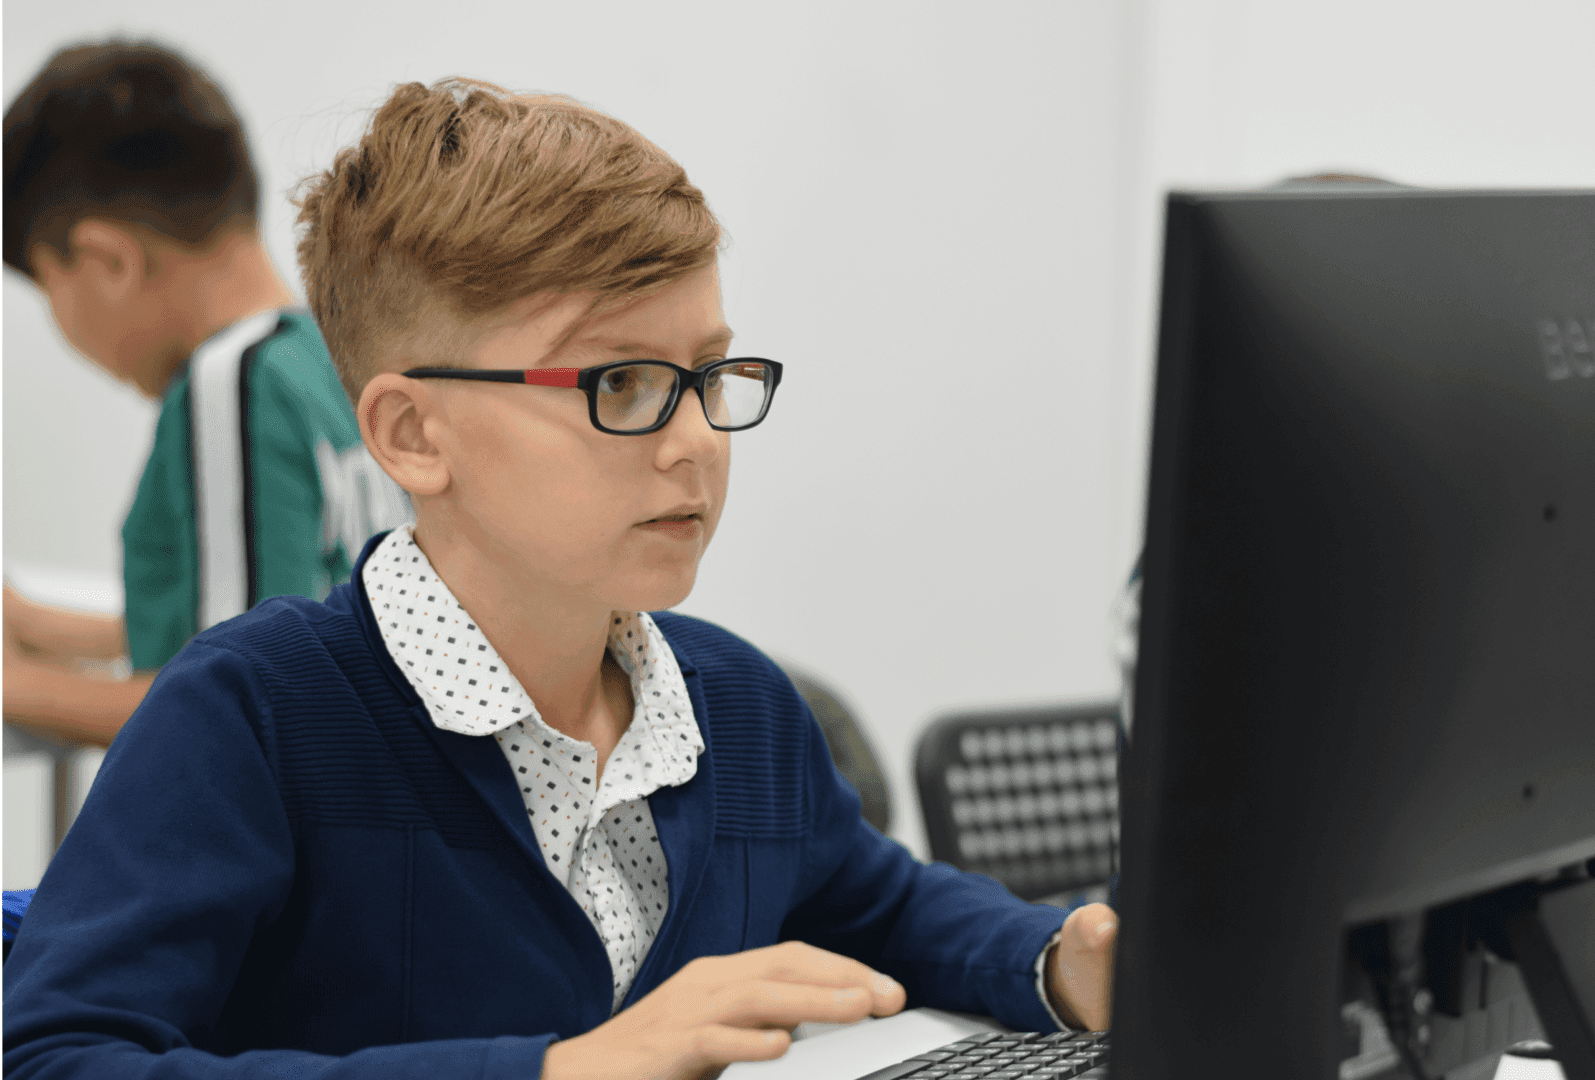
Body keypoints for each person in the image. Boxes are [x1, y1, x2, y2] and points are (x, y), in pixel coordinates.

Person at [2, 77, 1120, 1078]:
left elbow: (885, 905)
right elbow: (58, 1056)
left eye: (708, 373)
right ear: (413, 435)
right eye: (621, 384)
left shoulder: (740, 706)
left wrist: (1059, 958)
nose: (698, 441)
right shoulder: (252, 715)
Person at [2, 41, 407, 747]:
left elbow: (237, 705)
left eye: (50, 289)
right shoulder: (325, 356)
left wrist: (17, 685)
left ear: (107, 261)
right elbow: (267, 608)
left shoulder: (233, 380)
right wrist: (40, 625)